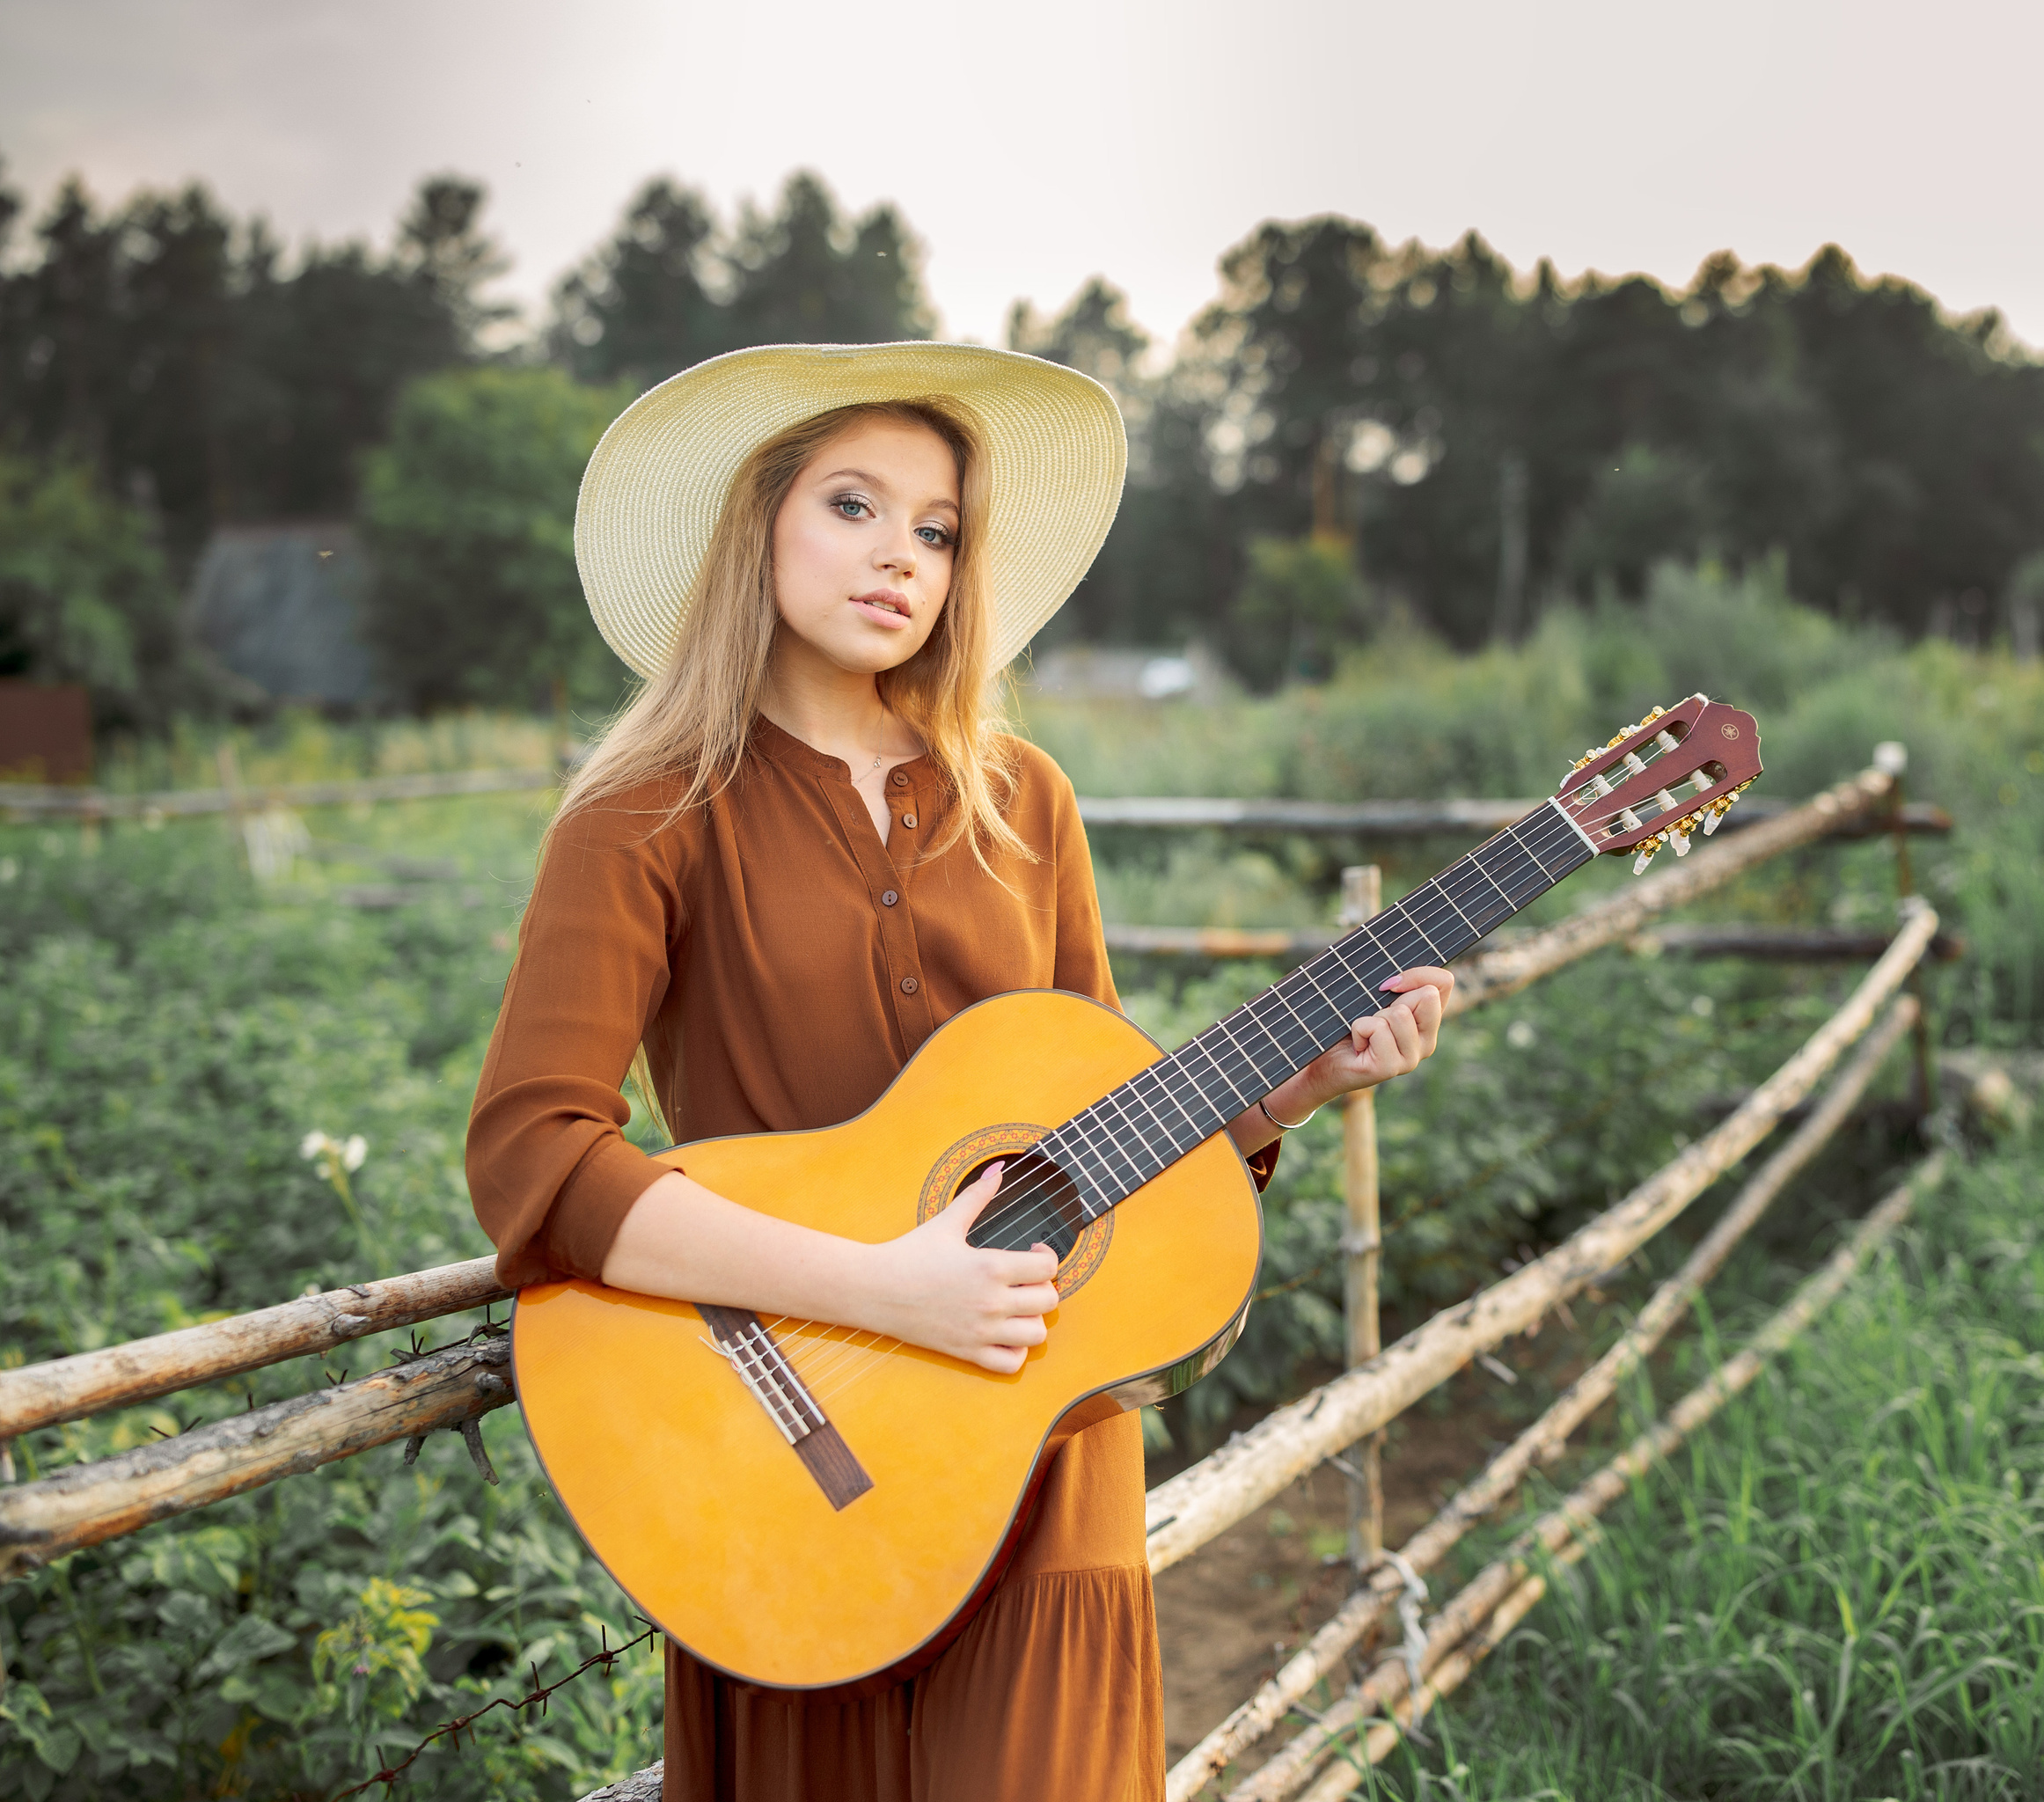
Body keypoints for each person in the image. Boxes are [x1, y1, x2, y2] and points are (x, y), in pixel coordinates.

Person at [465, 343, 1455, 1802]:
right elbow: (534, 1158)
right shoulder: (645, 814)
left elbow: (1104, 1130)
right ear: (759, 523)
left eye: (937, 530)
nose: (900, 558)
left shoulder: (1024, 799)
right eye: (853, 506)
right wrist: (884, 1288)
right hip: (799, 1454)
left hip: (1041, 1438)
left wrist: (1292, 1088)